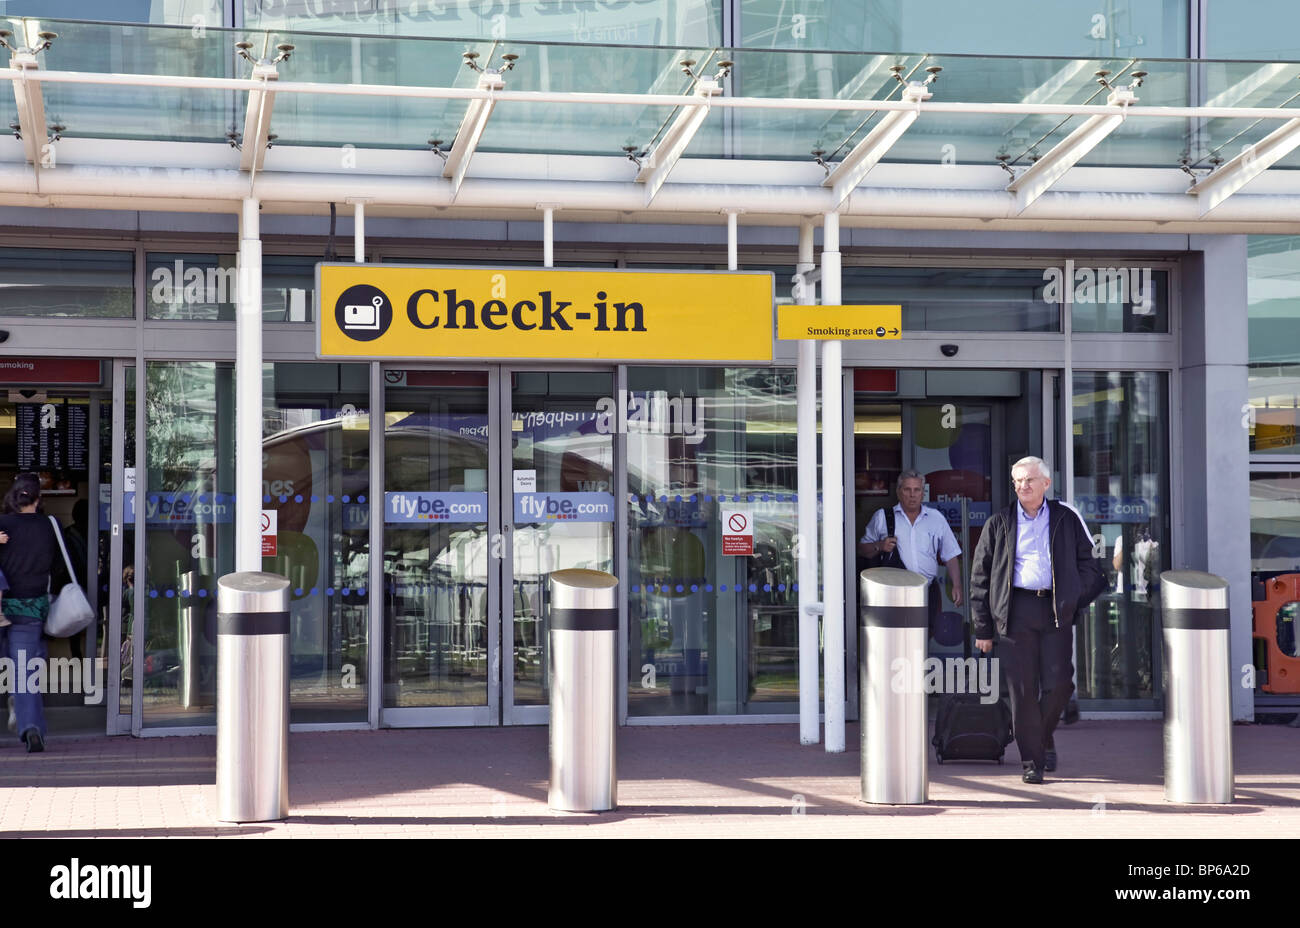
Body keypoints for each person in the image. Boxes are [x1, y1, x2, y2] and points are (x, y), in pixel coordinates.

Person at [970, 456, 1105, 784]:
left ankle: (1041, 736)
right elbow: (981, 576)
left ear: (1046, 483)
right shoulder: (999, 522)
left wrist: (1072, 599)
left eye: (1029, 480)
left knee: (1060, 685)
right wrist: (983, 627)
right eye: (1017, 481)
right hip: (1016, 611)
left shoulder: (1066, 518)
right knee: (1022, 691)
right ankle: (1033, 760)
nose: (1022, 486)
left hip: (1055, 610)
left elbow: (1091, 568)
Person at [0, 472, 72, 753]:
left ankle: (16, 704)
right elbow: (61, 564)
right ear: (39, 500)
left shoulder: (2, 525)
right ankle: (31, 728)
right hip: (31, 608)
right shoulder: (49, 526)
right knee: (24, 670)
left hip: (2, 603)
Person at [859, 470, 964, 619]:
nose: (912, 495)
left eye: (917, 490)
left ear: (923, 492)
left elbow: (950, 555)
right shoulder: (883, 517)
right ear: (899, 492)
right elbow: (861, 549)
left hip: (927, 592)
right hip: (892, 595)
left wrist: (957, 585)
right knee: (894, 639)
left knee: (924, 637)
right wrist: (879, 545)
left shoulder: (936, 518)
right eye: (907, 489)